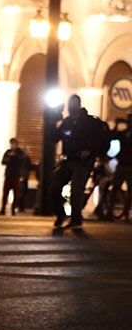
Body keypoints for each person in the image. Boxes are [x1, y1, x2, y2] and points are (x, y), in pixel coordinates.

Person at [50, 94, 98, 230]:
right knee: (55, 186)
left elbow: (97, 139)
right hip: (69, 159)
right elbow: (55, 137)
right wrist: (54, 122)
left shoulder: (88, 121)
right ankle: (61, 215)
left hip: (82, 161)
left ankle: (76, 219)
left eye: (75, 102)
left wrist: (89, 150)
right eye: (71, 102)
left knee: (76, 189)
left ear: (79, 104)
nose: (72, 105)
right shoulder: (68, 121)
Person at [110, 116, 132, 221]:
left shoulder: (124, 134)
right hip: (122, 163)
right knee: (116, 187)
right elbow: (112, 136)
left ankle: (126, 213)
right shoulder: (123, 134)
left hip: (128, 164)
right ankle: (111, 211)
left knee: (129, 190)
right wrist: (116, 125)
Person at [0, 138, 25, 215]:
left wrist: (14, 156)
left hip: (16, 175)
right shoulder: (8, 152)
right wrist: (8, 158)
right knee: (5, 193)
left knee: (16, 194)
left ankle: (13, 209)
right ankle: (3, 209)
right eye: (11, 143)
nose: (12, 145)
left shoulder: (20, 152)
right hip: (8, 175)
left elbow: (22, 160)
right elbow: (3, 161)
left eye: (13, 143)